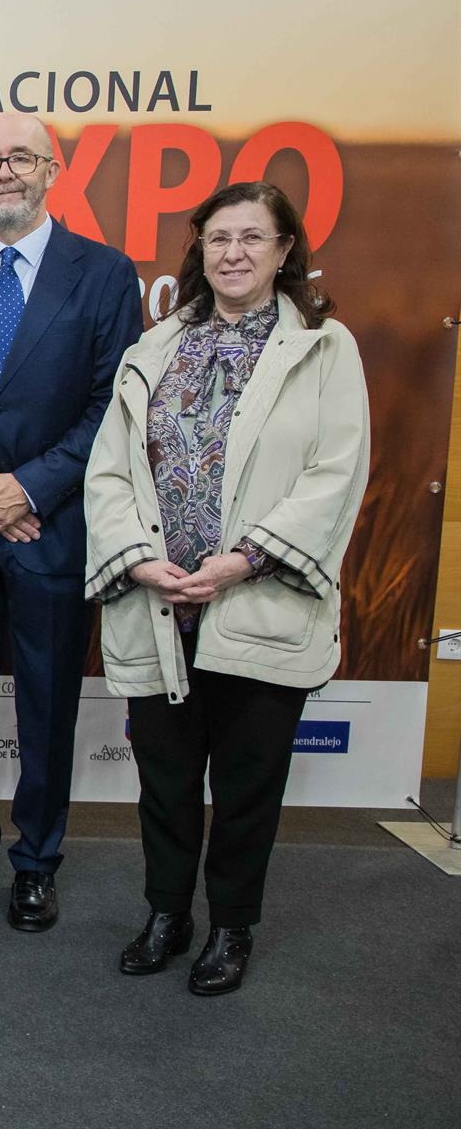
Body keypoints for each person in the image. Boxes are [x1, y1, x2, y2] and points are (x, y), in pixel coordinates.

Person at [85, 180, 368, 995]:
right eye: (218, 239)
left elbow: (335, 474)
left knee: (246, 790)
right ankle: (166, 916)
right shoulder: (153, 349)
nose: (234, 253)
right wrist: (138, 558)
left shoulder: (325, 348)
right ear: (198, 251)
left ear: (286, 251)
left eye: (252, 238)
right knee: (166, 786)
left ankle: (232, 929)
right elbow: (109, 471)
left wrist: (243, 560)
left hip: (258, 602)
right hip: (160, 603)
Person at [0, 114, 142, 931]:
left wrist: (30, 489)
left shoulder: (107, 274)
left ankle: (36, 862)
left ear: (51, 170)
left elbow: (111, 404)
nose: (3, 173)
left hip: (50, 528)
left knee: (48, 705)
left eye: (19, 158)